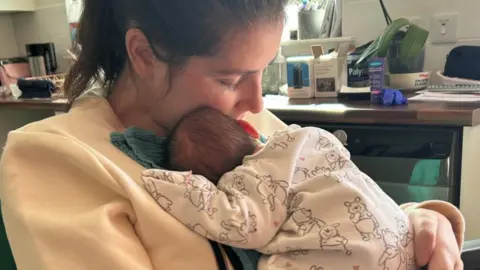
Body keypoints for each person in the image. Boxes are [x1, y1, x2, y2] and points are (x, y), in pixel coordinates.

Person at [0, 0, 464, 269]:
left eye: (262, 72)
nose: (257, 102)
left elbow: (331, 200)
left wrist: (419, 220)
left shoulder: (245, 127)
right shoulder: (54, 160)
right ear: (143, 53)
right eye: (229, 78)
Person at [149, 107, 418, 269]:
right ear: (247, 127)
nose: (256, 101)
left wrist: (179, 186)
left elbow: (242, 225)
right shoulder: (304, 137)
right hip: (402, 240)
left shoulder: (249, 177)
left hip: (356, 257)